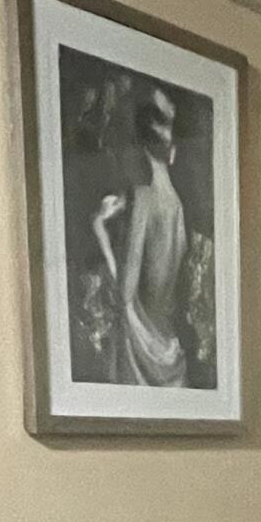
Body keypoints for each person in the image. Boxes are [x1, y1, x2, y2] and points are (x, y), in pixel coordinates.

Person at [89, 82, 193, 387]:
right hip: (170, 350)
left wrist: (98, 227)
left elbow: (125, 294)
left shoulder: (144, 199)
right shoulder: (177, 206)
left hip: (144, 352)